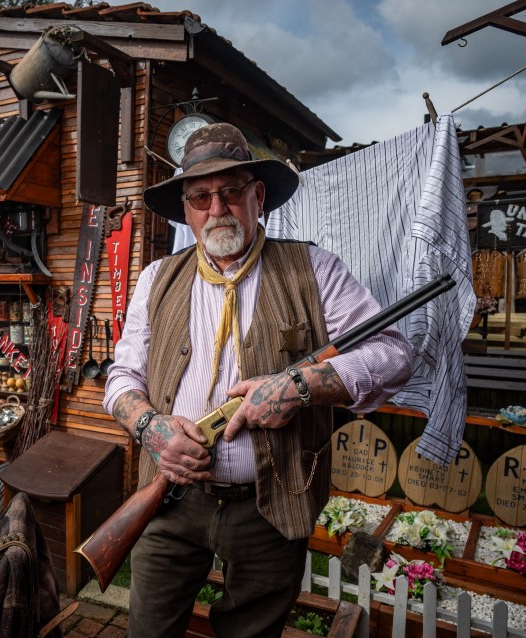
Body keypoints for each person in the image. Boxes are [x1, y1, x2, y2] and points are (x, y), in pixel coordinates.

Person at [103, 123, 414, 637]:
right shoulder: (156, 278)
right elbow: (121, 378)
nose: (217, 208)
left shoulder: (314, 269)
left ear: (258, 197)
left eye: (231, 192)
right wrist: (152, 430)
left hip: (271, 509)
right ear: (186, 209)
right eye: (201, 196)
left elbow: (394, 353)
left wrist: (300, 387)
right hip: (171, 501)